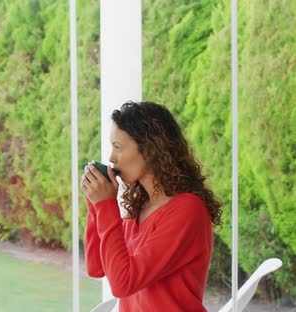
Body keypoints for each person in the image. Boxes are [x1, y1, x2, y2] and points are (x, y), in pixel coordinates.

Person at [81, 101, 222, 311]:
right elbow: (96, 267)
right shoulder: (140, 207)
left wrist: (105, 205)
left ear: (149, 150)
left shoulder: (187, 210)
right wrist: (95, 206)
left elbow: (123, 283)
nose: (111, 157)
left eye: (118, 147)